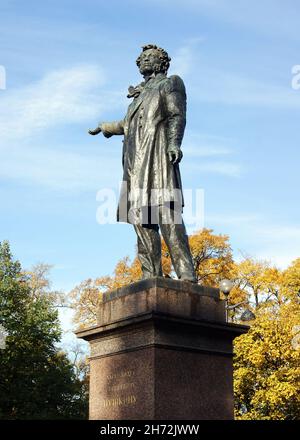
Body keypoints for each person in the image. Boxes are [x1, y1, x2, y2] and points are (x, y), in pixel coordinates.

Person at [89, 44, 196, 282]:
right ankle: (151, 275)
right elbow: (125, 124)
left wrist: (174, 143)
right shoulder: (138, 95)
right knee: (140, 219)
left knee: (168, 215)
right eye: (143, 57)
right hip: (135, 164)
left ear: (162, 63)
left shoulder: (171, 83)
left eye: (151, 56)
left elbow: (177, 114)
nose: (145, 60)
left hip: (157, 156)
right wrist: (105, 127)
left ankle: (186, 275)